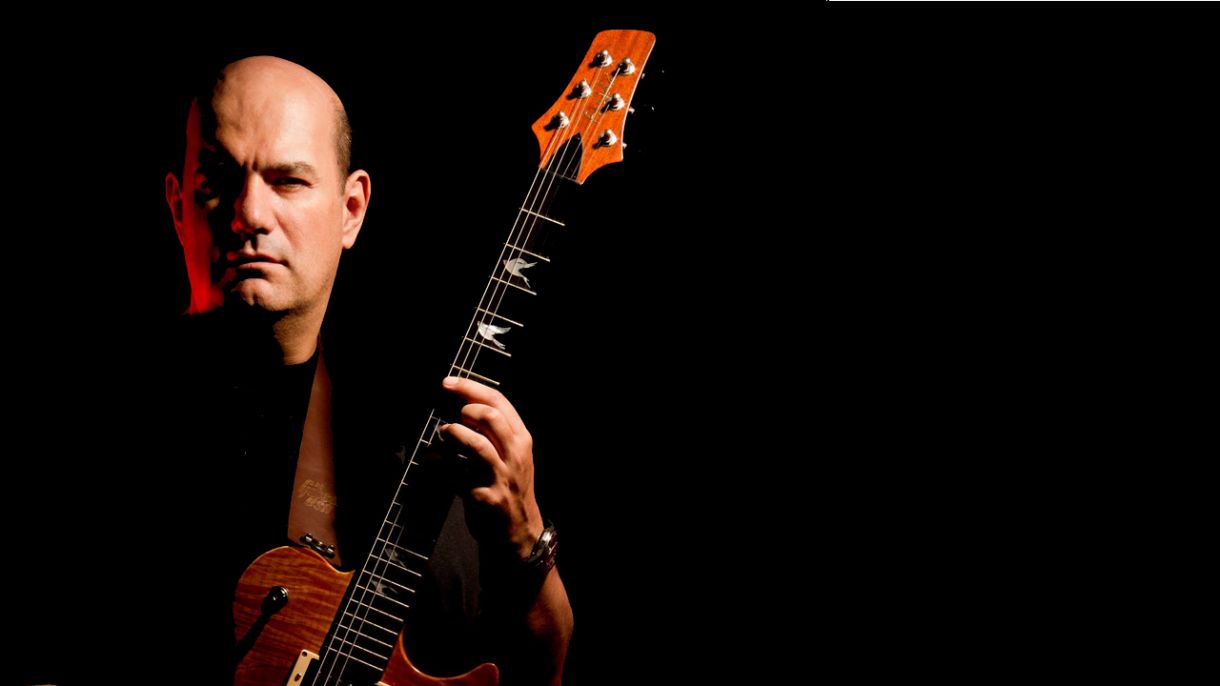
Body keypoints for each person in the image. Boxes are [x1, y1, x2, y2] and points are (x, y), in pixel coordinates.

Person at [108, 55, 571, 685]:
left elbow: (538, 671)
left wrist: (527, 541)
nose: (250, 214)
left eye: (288, 181)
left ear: (351, 209)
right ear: (176, 203)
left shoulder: (421, 444)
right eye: (218, 177)